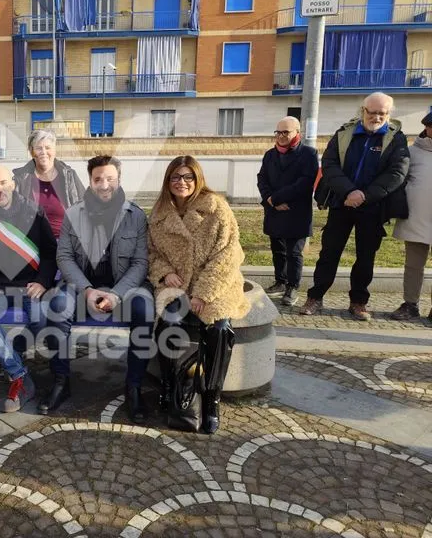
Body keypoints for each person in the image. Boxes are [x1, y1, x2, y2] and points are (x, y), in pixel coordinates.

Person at [40, 155, 154, 424]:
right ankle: (61, 380)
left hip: (124, 288)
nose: (104, 185)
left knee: (145, 309)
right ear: (90, 181)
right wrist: (88, 290)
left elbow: (140, 263)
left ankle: (134, 386)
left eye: (110, 179)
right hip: (81, 286)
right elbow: (64, 257)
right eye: (98, 179)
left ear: (119, 180)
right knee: (57, 307)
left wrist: (116, 294)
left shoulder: (135, 215)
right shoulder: (73, 214)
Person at [148, 155, 250, 434]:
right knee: (167, 324)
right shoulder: (158, 214)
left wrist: (204, 294)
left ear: (197, 179)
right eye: (176, 177)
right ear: (168, 182)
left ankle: (211, 398)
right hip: (177, 285)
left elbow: (228, 256)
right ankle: (170, 391)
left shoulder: (217, 208)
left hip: (216, 285)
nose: (182, 183)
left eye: (187, 177)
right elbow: (153, 253)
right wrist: (165, 272)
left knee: (219, 329)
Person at [300, 92, 410, 321]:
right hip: (341, 203)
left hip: (372, 208)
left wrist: (365, 196)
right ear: (363, 111)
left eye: (383, 113)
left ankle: (358, 302)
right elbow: (329, 165)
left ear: (388, 114)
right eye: (373, 112)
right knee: (329, 253)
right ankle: (315, 297)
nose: (377, 117)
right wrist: (349, 191)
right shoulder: (344, 133)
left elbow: (397, 172)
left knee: (366, 257)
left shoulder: (396, 139)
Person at [0, 166, 59, 412]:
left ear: (13, 183)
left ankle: (15, 346)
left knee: (42, 320)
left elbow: (50, 253)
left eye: (3, 183)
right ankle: (20, 377)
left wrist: (42, 281)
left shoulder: (34, 211)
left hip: (30, 285)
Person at [256, 116, 319, 306]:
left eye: (286, 132)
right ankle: (280, 282)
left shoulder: (308, 153)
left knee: (294, 253)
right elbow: (262, 178)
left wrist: (277, 198)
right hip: (274, 210)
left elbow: (305, 182)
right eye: (278, 132)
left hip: (296, 211)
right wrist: (270, 200)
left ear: (297, 133)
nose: (281, 136)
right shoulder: (270, 154)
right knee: (278, 250)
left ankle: (293, 287)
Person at [391, 108, 432, 320]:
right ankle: (410, 304)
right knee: (414, 265)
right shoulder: (412, 152)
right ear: (426, 127)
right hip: (417, 218)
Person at [13, 129, 85, 238]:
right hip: (32, 244)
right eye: (38, 148)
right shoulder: (21, 178)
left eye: (47, 148)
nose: (43, 152)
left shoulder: (69, 176)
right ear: (32, 152)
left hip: (65, 243)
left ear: (54, 150)